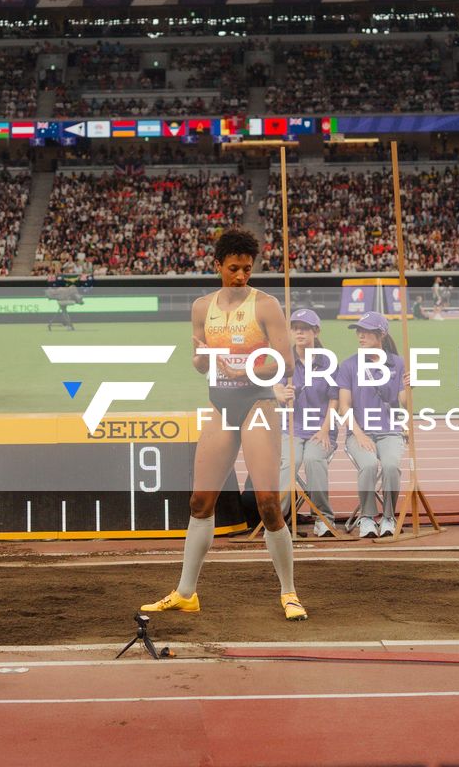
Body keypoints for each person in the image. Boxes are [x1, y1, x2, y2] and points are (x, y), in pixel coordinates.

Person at [142, 226, 305, 621]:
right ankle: (185, 592)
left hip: (257, 405)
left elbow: (285, 361)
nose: (241, 276)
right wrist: (203, 358)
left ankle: (289, 592)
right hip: (220, 406)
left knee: (267, 503)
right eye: (233, 268)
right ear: (217, 265)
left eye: (247, 269)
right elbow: (199, 364)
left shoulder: (265, 306)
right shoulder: (202, 307)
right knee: (200, 502)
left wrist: (244, 364)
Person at [344, 311, 408, 539]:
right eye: (359, 331)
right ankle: (368, 518)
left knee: (391, 466)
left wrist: (411, 386)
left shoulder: (398, 363)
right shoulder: (349, 365)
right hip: (359, 432)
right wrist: (359, 434)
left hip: (390, 430)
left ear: (380, 334)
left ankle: (389, 516)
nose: (360, 336)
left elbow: (404, 403)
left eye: (366, 332)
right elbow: (344, 406)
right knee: (369, 465)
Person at [285, 308, 348, 538]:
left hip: (321, 429)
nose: (299, 333)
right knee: (289, 462)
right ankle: (278, 522)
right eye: (295, 329)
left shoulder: (328, 362)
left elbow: (335, 399)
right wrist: (281, 393)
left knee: (313, 459)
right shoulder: (285, 361)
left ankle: (323, 517)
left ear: (316, 331)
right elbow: (273, 392)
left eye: (305, 329)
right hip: (290, 428)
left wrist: (324, 430)